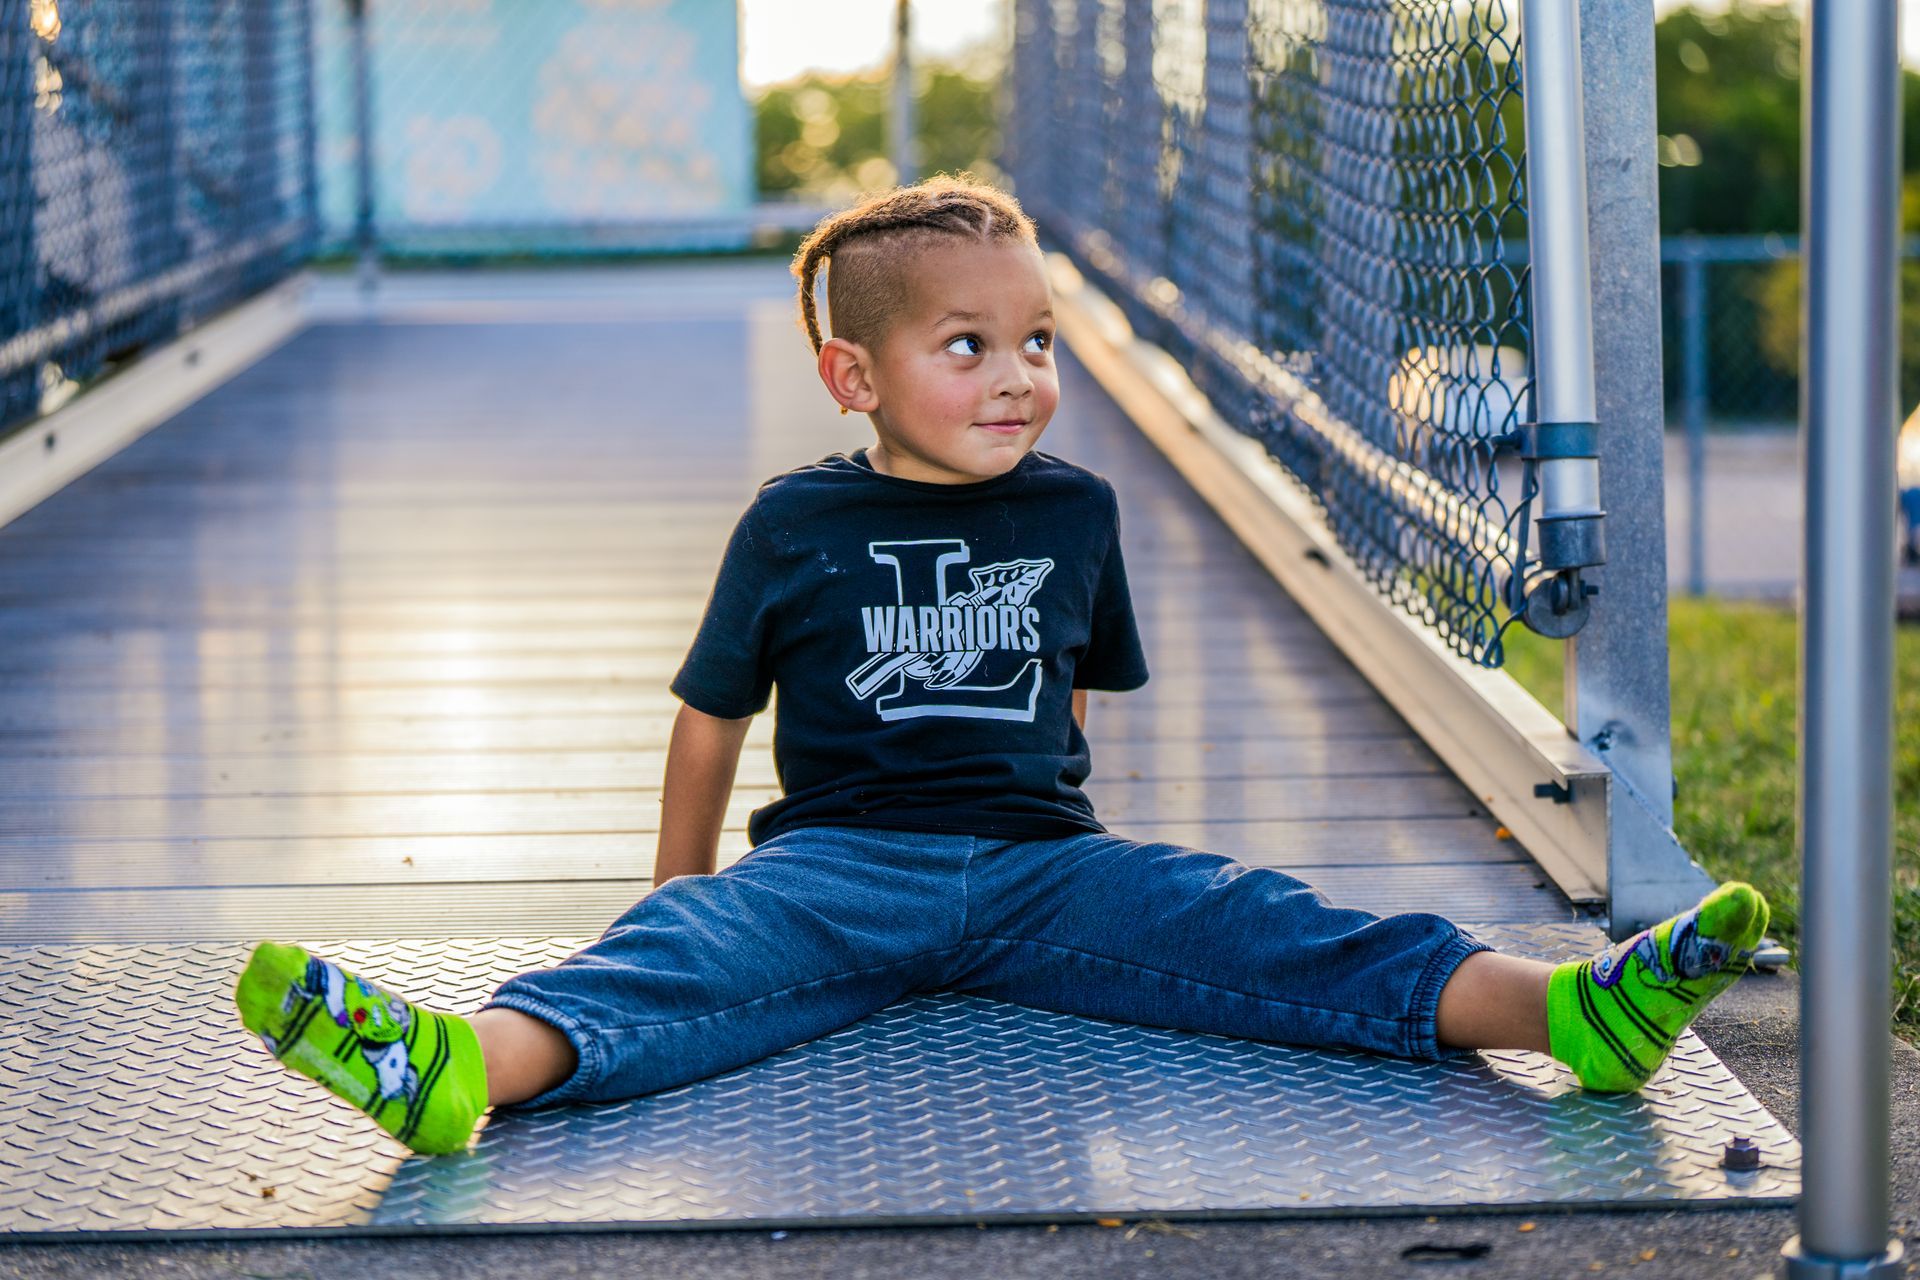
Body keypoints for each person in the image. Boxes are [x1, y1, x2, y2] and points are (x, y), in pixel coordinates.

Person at [234, 177, 1769, 1156]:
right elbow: (710, 722)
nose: (1019, 372)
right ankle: (455, 1067)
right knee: (671, 974)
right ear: (856, 376)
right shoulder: (796, 522)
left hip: (1044, 865)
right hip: (843, 864)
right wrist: (676, 884)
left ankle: (1568, 1016)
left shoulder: (1076, 509)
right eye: (965, 346)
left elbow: (1075, 697)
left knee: (1268, 932)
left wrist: (1070, 842)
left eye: (1035, 340)